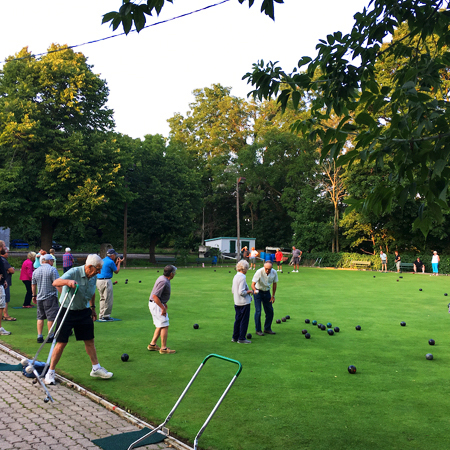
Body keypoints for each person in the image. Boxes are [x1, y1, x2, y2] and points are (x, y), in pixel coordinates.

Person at [44, 254, 113, 385]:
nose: (99, 272)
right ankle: (50, 372)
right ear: (90, 267)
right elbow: (56, 282)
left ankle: (96, 368)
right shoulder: (74, 272)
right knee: (61, 342)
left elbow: (92, 292)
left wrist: (92, 308)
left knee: (89, 340)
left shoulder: (92, 276)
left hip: (84, 311)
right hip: (67, 311)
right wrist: (67, 282)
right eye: (97, 269)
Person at [147, 265, 177, 354]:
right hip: (156, 305)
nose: (175, 274)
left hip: (156, 304)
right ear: (171, 274)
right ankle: (163, 349)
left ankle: (152, 345)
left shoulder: (162, 278)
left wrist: (163, 303)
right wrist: (162, 307)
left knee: (160, 324)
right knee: (164, 324)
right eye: (174, 273)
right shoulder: (163, 281)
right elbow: (155, 296)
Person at [31, 254, 60, 343]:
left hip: (40, 297)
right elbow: (57, 283)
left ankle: (39, 336)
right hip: (50, 296)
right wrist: (62, 294)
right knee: (50, 317)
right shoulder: (52, 270)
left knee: (40, 317)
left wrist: (34, 295)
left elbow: (33, 284)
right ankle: (50, 335)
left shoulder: (36, 271)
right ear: (50, 261)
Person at [251, 261, 278, 336]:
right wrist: (255, 290)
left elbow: (274, 284)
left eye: (269, 269)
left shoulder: (274, 272)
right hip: (258, 292)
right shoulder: (259, 272)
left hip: (267, 293)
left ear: (272, 268)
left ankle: (267, 328)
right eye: (266, 269)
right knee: (258, 311)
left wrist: (273, 296)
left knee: (270, 311)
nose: (267, 271)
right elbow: (253, 284)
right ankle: (258, 330)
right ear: (264, 267)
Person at [96, 248, 123, 321]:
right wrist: (119, 263)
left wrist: (116, 263)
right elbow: (116, 271)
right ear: (112, 255)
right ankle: (106, 316)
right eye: (115, 255)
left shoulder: (103, 260)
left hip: (98, 281)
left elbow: (109, 267)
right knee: (108, 299)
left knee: (102, 298)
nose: (115, 256)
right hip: (106, 281)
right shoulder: (111, 262)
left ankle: (101, 315)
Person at [231, 260, 253, 344]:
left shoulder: (236, 276)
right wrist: (249, 292)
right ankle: (241, 338)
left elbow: (233, 290)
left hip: (237, 302)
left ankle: (235, 337)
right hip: (244, 303)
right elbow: (241, 292)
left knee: (238, 320)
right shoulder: (242, 277)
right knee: (244, 320)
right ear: (244, 268)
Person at [1, 246, 16, 322]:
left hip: (4, 282)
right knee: (6, 299)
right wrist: (10, 269)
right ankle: (6, 315)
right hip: (4, 282)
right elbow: (12, 270)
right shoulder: (3, 260)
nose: (8, 254)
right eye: (7, 252)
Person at [0, 240, 11, 335]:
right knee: (0, 306)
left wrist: (4, 280)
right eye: (3, 246)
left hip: (2, 283)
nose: (5, 248)